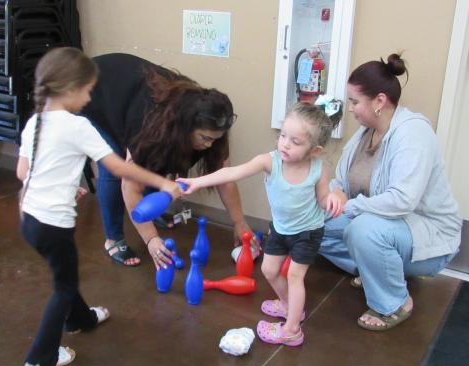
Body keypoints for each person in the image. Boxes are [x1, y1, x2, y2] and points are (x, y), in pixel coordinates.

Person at [17, 47, 182, 366]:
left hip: (30, 220)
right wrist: (162, 184)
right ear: (71, 89)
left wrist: (66, 187)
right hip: (53, 224)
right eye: (89, 90)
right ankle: (41, 357)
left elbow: (24, 172)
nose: (90, 97)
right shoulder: (78, 126)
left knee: (66, 272)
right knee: (63, 287)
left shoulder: (35, 121)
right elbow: (119, 168)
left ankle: (82, 318)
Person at [178, 100, 344, 346]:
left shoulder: (318, 170)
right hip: (280, 228)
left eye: (295, 141)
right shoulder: (270, 161)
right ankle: (290, 306)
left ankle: (292, 330)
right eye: (283, 135)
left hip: (308, 233)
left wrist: (336, 196)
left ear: (315, 150)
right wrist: (197, 182)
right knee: (268, 270)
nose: (285, 144)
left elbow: (323, 199)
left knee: (295, 277)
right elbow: (231, 173)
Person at [318, 53, 462, 331]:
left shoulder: (413, 134)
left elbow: (402, 201)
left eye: (355, 102)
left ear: (380, 101)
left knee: (363, 230)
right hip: (381, 224)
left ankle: (394, 302)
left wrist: (349, 206)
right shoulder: (364, 134)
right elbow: (342, 183)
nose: (350, 109)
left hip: (427, 234)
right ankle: (377, 271)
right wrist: (332, 197)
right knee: (311, 224)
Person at [81, 53, 254, 268]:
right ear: (186, 127)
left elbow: (225, 178)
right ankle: (114, 239)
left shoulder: (212, 122)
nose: (210, 145)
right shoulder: (151, 127)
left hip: (129, 92)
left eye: (215, 139)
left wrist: (240, 223)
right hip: (96, 91)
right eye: (205, 138)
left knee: (158, 162)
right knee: (114, 166)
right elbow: (130, 185)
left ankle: (151, 212)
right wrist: (151, 239)